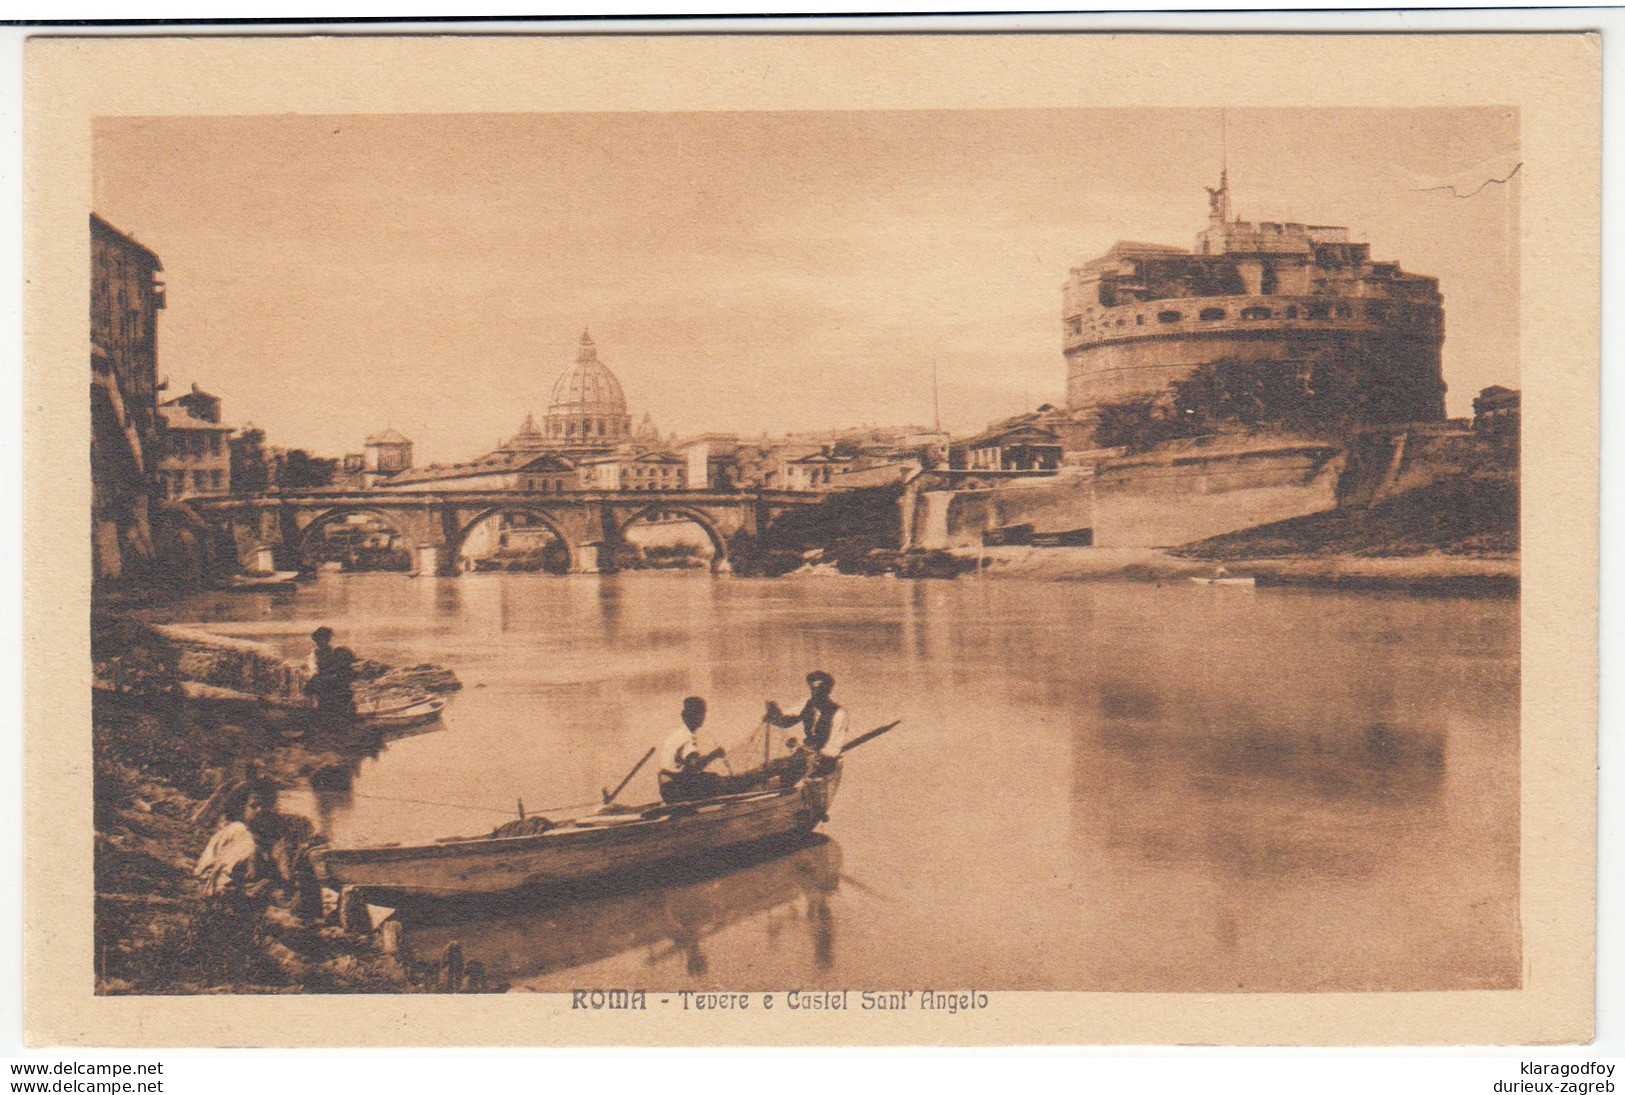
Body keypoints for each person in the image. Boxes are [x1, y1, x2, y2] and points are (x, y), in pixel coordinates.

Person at [764, 671, 849, 776]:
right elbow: (786, 721)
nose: (815, 693)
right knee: (776, 768)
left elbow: (833, 747)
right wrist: (774, 716)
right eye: (812, 689)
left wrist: (812, 757)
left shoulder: (839, 714)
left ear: (828, 690)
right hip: (806, 755)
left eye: (820, 690)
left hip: (825, 760)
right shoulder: (807, 704)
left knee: (806, 774)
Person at [658, 696, 727, 803]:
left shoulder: (679, 733)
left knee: (710, 778)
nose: (703, 717)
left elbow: (686, 768)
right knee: (715, 780)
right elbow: (695, 767)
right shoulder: (686, 739)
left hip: (668, 788)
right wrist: (715, 754)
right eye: (700, 713)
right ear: (690, 716)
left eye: (703, 713)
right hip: (676, 791)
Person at [305, 626, 357, 720]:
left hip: (332, 680)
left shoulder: (335, 651)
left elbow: (344, 667)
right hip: (325, 680)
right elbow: (317, 670)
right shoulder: (316, 653)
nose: (323, 641)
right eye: (320, 639)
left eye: (325, 639)